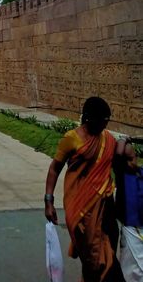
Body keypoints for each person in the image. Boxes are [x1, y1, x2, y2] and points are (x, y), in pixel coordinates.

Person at [44, 96, 125, 281]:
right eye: (102, 121)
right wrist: (48, 201)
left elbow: (119, 165)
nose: (105, 126)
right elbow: (54, 169)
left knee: (104, 254)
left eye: (107, 121)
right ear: (89, 119)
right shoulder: (71, 139)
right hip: (81, 212)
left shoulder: (108, 140)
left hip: (105, 209)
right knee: (94, 259)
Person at [114, 137, 141, 281]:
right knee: (130, 272)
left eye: (133, 158)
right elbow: (118, 156)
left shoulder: (141, 173)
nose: (131, 163)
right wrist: (124, 140)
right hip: (131, 232)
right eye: (127, 160)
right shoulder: (122, 175)